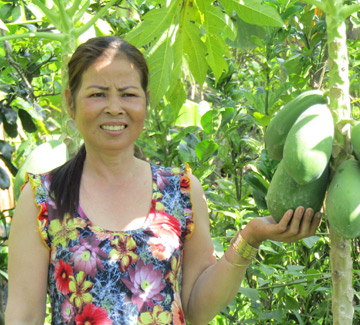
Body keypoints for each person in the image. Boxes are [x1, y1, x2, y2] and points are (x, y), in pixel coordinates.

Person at [5, 36, 322, 324]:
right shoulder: (43, 198)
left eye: (128, 94)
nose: (114, 108)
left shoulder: (180, 192)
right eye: (97, 94)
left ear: (145, 100)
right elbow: (24, 314)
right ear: (70, 102)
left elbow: (197, 309)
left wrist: (251, 237)